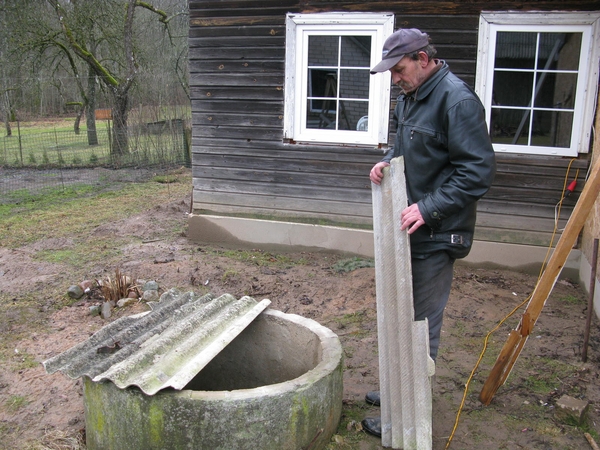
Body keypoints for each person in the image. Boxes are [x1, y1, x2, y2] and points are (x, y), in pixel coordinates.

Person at [362, 28, 496, 437]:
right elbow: (407, 148)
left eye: (399, 70)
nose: (395, 79)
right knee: (401, 314)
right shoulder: (411, 96)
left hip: (438, 232)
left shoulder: (457, 101)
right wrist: (387, 163)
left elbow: (477, 172)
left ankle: (407, 419)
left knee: (421, 324)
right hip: (410, 227)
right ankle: (399, 392)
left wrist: (428, 206)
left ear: (422, 59)